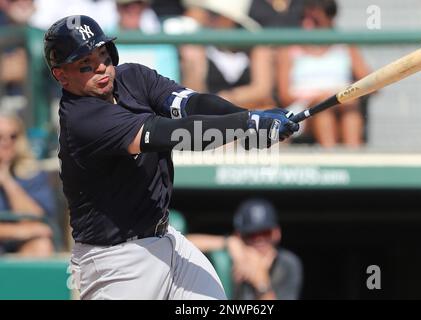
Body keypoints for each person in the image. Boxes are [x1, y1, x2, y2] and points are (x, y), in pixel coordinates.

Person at [44, 15, 299, 300]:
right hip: (116, 262)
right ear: (61, 75)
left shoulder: (133, 77)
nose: (101, 67)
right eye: (85, 64)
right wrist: (245, 124)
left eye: (103, 54)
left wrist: (248, 118)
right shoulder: (82, 119)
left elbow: (192, 104)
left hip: (166, 239)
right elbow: (173, 133)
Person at [277, 0, 370, 148]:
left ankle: (354, 160)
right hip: (304, 110)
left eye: (315, 20)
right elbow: (284, 95)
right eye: (304, 17)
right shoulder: (290, 48)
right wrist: (319, 97)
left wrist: (346, 94)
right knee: (322, 111)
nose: (307, 24)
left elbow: (370, 83)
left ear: (330, 19)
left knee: (350, 109)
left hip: (342, 105)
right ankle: (331, 162)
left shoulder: (346, 46)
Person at [188, 198, 303, 300]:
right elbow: (181, 245)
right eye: (251, 234)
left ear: (276, 233)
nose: (259, 240)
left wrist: (261, 282)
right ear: (239, 235)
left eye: (265, 233)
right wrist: (228, 242)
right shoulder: (230, 254)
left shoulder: (287, 263)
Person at [180, 0, 275, 109]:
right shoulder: (198, 49)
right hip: (212, 120)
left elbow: (262, 91)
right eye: (208, 12)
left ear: (232, 20)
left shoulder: (257, 48)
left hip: (249, 118)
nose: (208, 18)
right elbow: (194, 98)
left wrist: (225, 99)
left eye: (215, 14)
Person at [0, 111, 56, 257]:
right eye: (0, 137)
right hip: (14, 240)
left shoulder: (32, 175)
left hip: (19, 249)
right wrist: (20, 232)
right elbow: (35, 228)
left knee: (41, 244)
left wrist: (6, 180)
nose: (6, 142)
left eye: (13, 136)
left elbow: (37, 220)